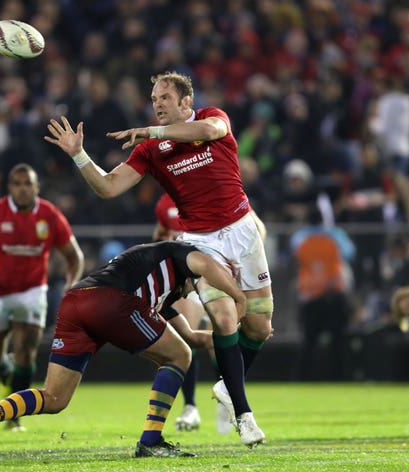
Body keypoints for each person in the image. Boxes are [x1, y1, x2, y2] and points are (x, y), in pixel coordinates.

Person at [45, 71, 273, 447]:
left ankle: (228, 389)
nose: (157, 105)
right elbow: (108, 186)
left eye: (164, 98)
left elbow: (212, 130)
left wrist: (152, 131)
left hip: (244, 230)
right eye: (153, 99)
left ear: (186, 102)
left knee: (260, 328)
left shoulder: (212, 118)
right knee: (225, 315)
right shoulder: (149, 151)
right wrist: (79, 155)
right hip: (200, 240)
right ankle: (245, 417)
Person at [0, 240, 247, 459]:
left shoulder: (160, 293)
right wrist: (237, 296)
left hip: (76, 302)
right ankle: (150, 440)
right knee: (178, 356)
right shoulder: (180, 251)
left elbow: (193, 337)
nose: (193, 292)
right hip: (111, 301)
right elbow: (207, 266)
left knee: (55, 398)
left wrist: (230, 338)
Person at [0, 163, 84, 431]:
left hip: (32, 291)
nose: (23, 189)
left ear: (37, 187)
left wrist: (70, 285)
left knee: (26, 351)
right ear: (9, 188)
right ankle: (6, 370)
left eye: (28, 183)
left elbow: (75, 256)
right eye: (17, 183)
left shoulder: (49, 215)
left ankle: (13, 417)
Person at [153, 192, 210, 432]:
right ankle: (191, 406)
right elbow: (159, 234)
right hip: (180, 278)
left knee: (197, 339)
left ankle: (228, 399)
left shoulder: (205, 191)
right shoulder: (164, 202)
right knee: (186, 337)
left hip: (206, 274)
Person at [290, 205, 356, 380]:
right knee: (339, 340)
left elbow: (295, 255)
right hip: (334, 292)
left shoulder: (300, 237)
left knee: (309, 341)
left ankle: (303, 378)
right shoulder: (335, 235)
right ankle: (340, 377)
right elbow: (349, 254)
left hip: (310, 294)